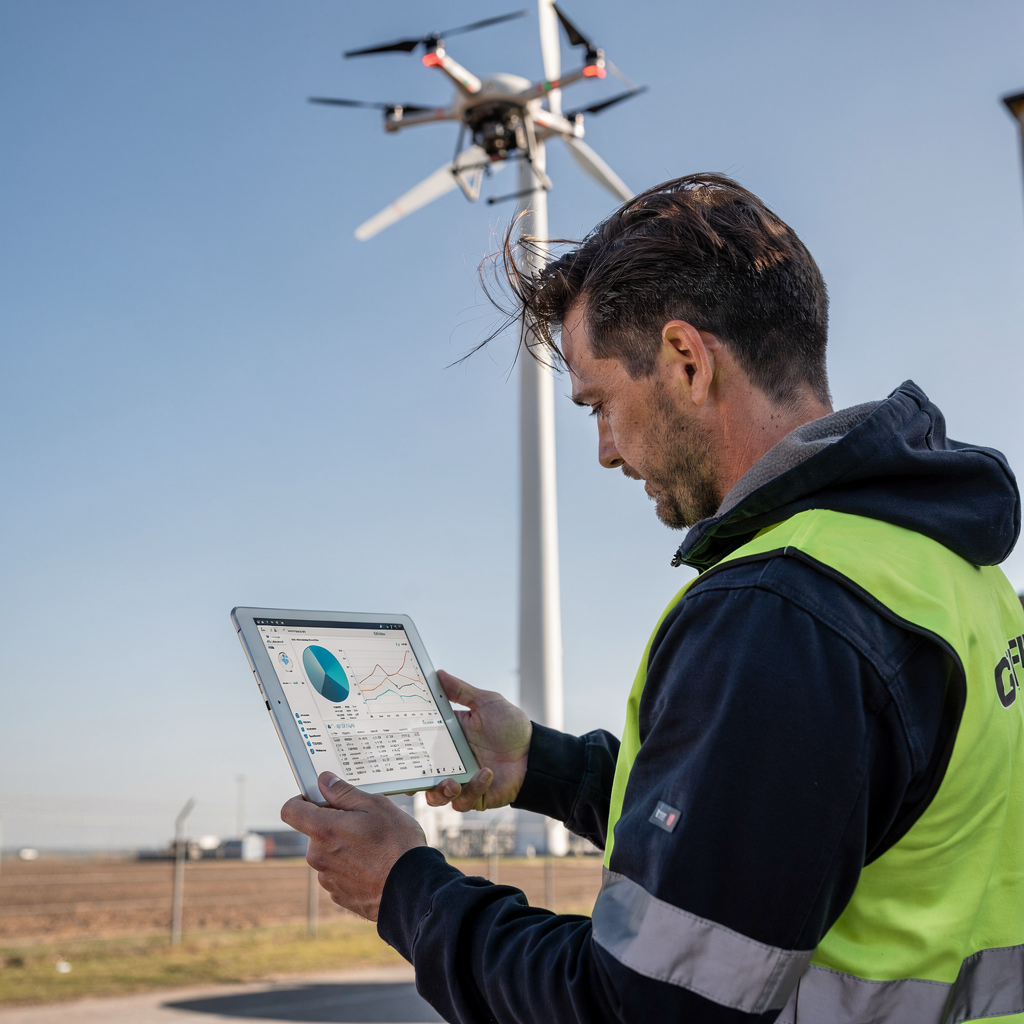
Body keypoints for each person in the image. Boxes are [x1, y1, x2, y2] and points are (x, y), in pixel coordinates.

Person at [282, 174, 1024, 1023]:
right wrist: (542, 767)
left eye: (599, 403)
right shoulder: (943, 568)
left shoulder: (779, 612)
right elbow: (781, 827)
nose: (604, 451)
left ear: (686, 360)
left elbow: (636, 1008)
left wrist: (404, 890)